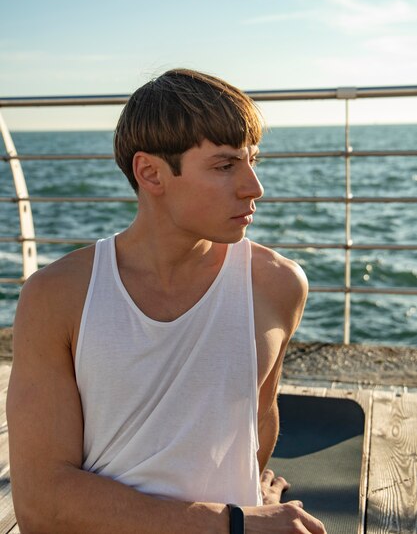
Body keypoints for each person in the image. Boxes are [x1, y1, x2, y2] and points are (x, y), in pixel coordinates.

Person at [7, 69, 326, 534]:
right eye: (225, 166)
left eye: (253, 161)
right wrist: (236, 522)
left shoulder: (278, 285)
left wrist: (249, 494)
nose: (254, 187)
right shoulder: (56, 296)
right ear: (151, 172)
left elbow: (255, 422)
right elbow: (40, 504)